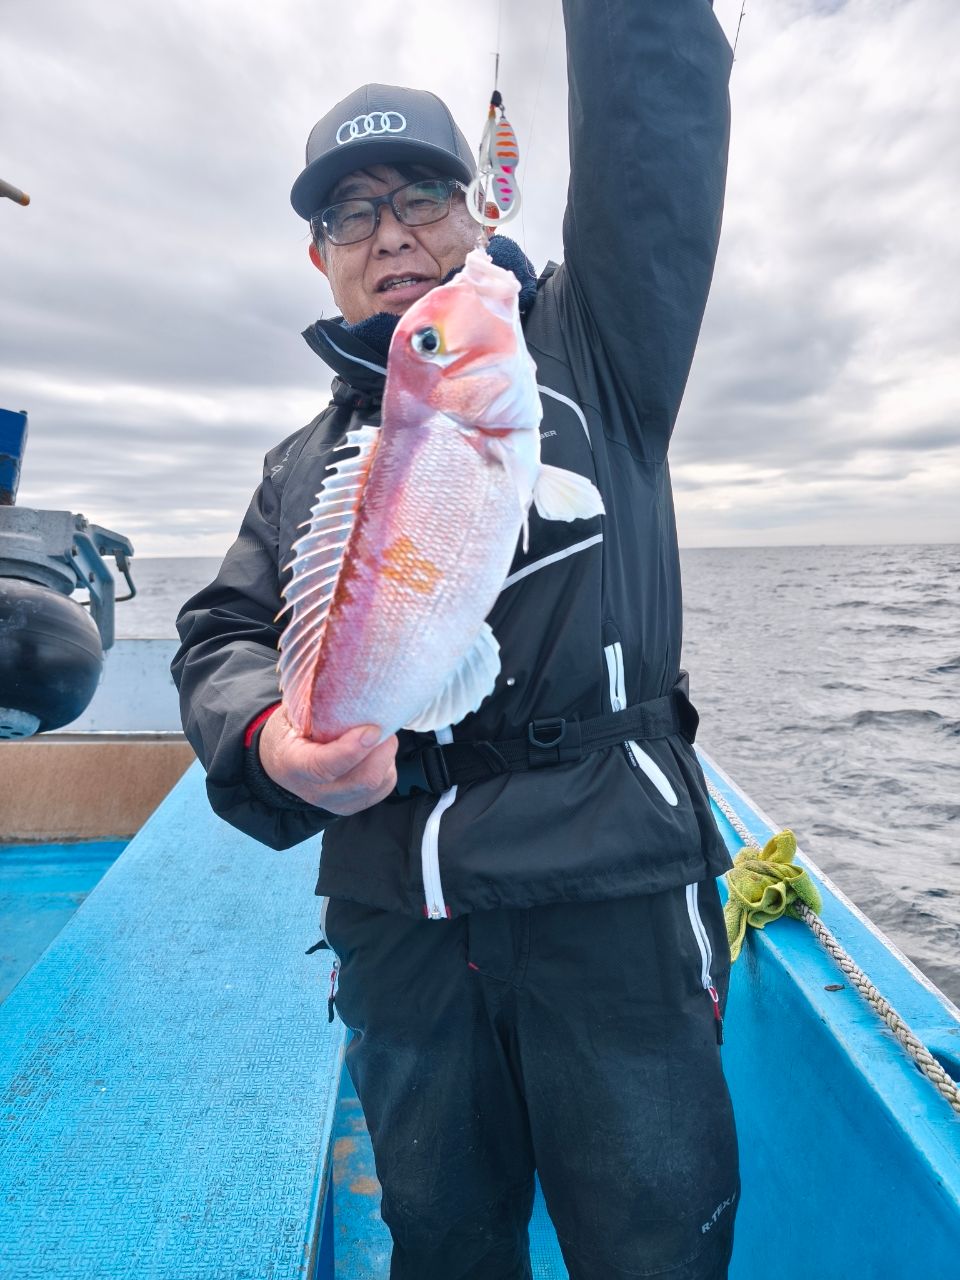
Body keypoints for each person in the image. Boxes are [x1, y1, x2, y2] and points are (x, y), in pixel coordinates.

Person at [173, 2, 738, 1276]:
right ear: (320, 260)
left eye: (422, 195)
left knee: (658, 1245)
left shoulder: (593, 351)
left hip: (608, 898)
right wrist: (273, 741)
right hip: (397, 920)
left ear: (480, 212)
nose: (391, 236)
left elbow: (655, 131)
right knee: (440, 1243)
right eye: (349, 216)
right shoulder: (298, 466)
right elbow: (217, 635)